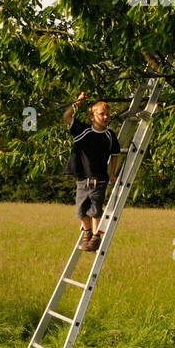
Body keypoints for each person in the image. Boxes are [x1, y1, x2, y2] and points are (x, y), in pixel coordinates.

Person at [62, 92, 121, 251]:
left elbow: (115, 155)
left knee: (95, 211)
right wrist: (78, 102)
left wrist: (112, 173)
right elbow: (67, 116)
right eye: (102, 114)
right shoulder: (83, 131)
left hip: (99, 180)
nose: (105, 117)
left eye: (108, 114)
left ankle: (95, 237)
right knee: (81, 212)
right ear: (92, 117)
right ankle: (87, 232)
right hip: (82, 179)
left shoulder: (110, 135)